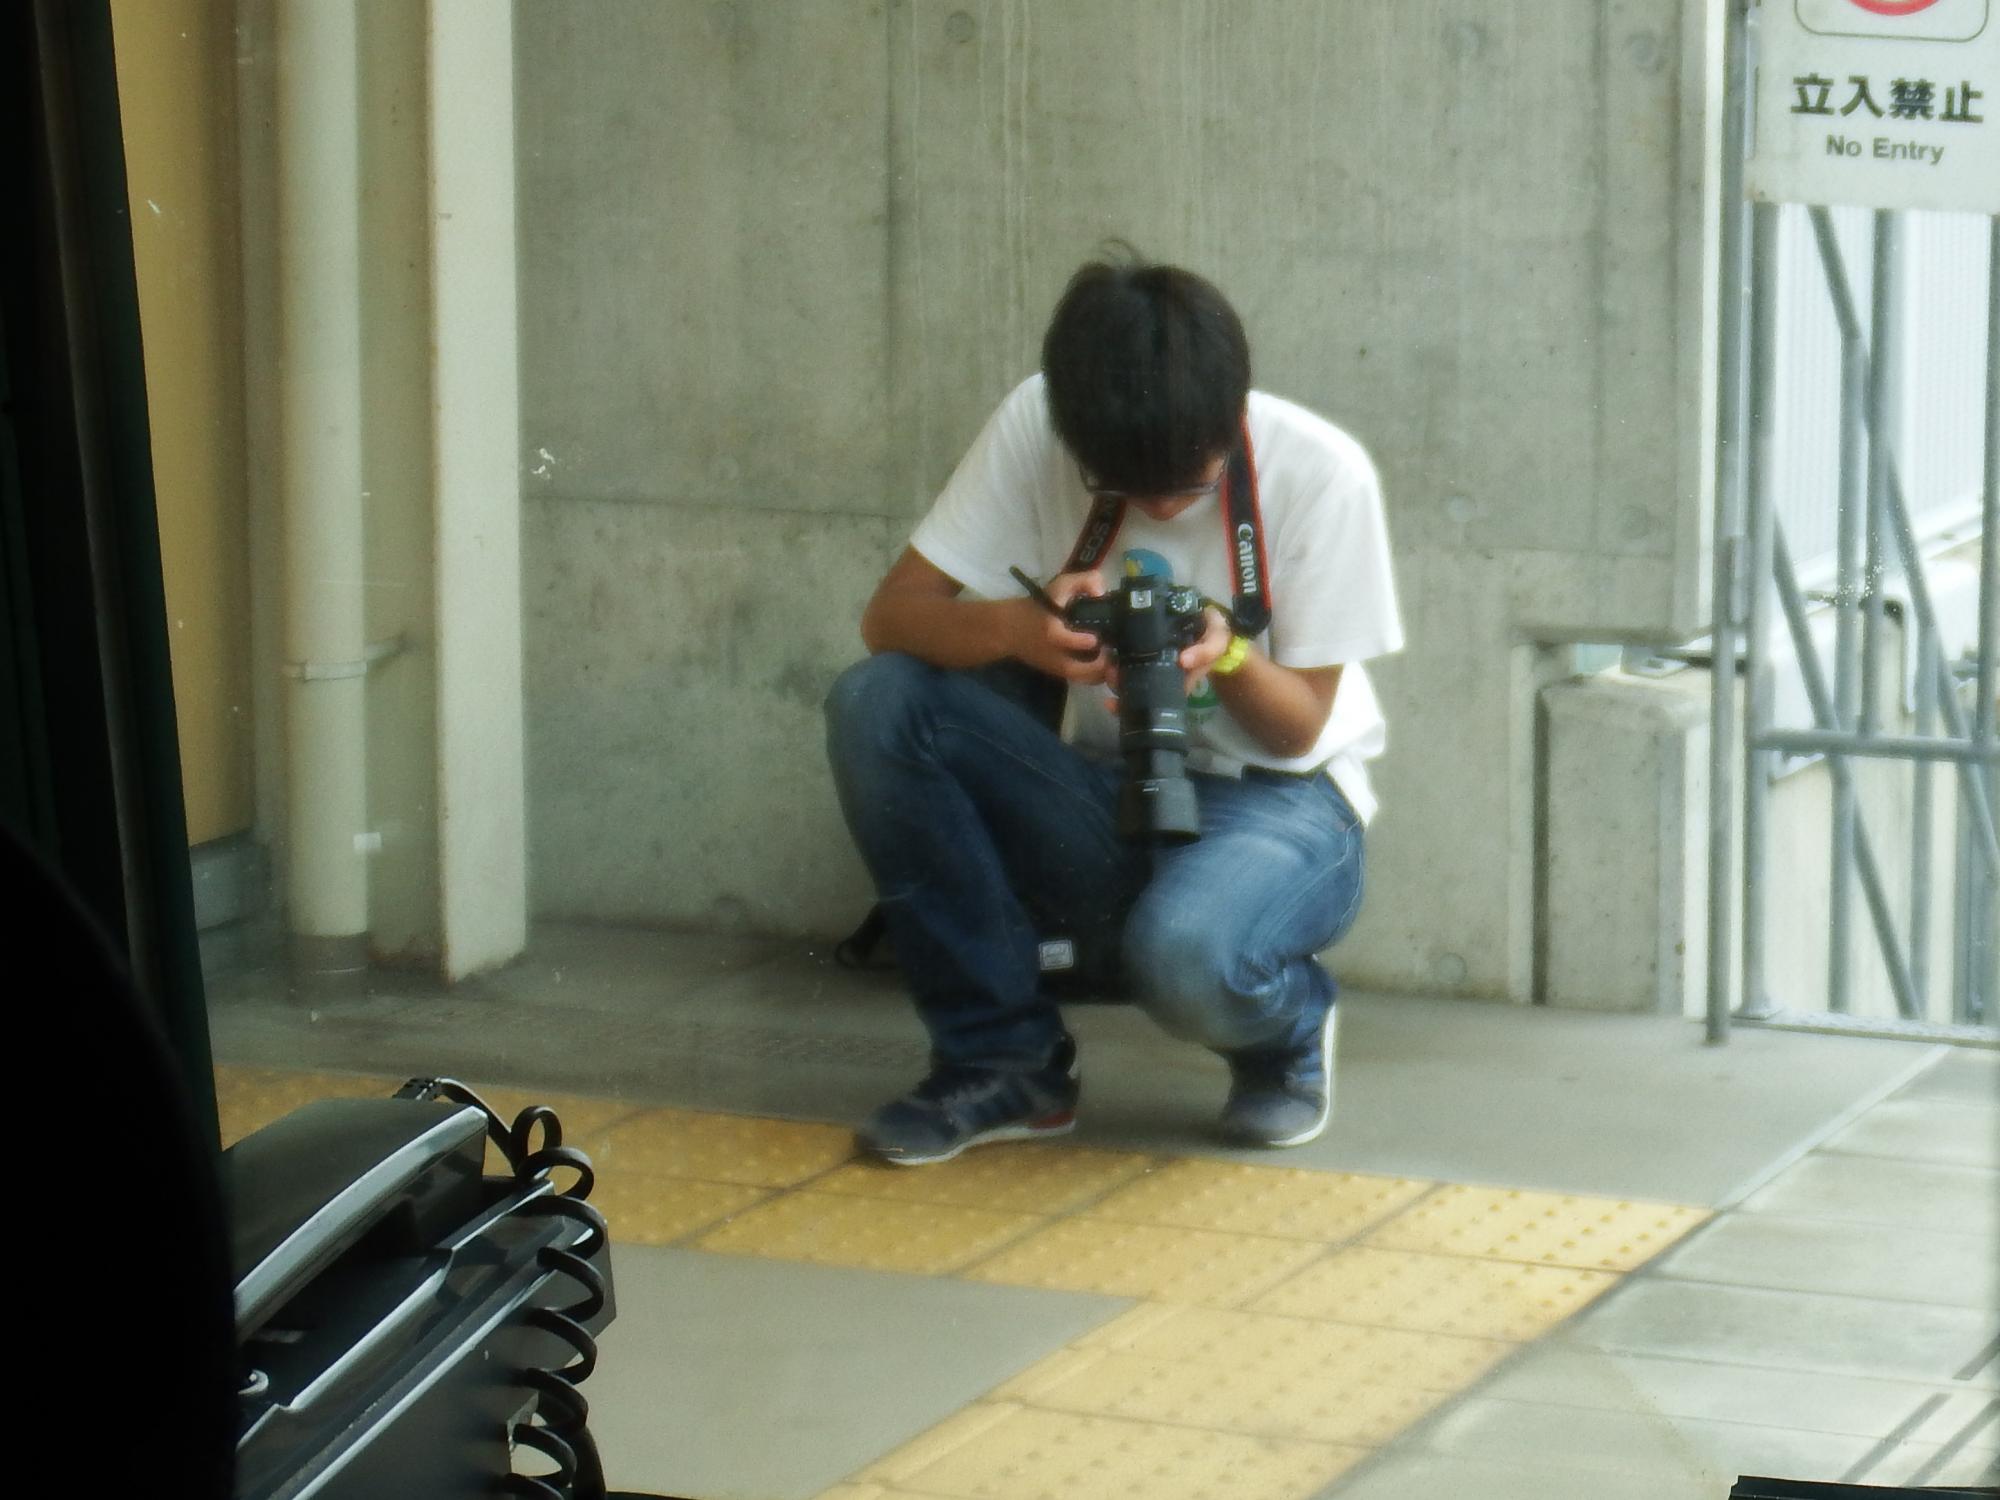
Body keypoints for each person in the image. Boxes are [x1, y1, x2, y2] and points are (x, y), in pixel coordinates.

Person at [824, 246, 1402, 1165]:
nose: (1163, 507)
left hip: (1282, 802)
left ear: (1232, 413)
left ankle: (1284, 1032)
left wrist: (1229, 652)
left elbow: (1300, 728)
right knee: (879, 703)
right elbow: (889, 620)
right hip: (1107, 784)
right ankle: (1004, 1063)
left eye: (1191, 484)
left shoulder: (1322, 472)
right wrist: (1018, 629)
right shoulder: (1037, 420)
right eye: (1127, 488)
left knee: (1185, 954)